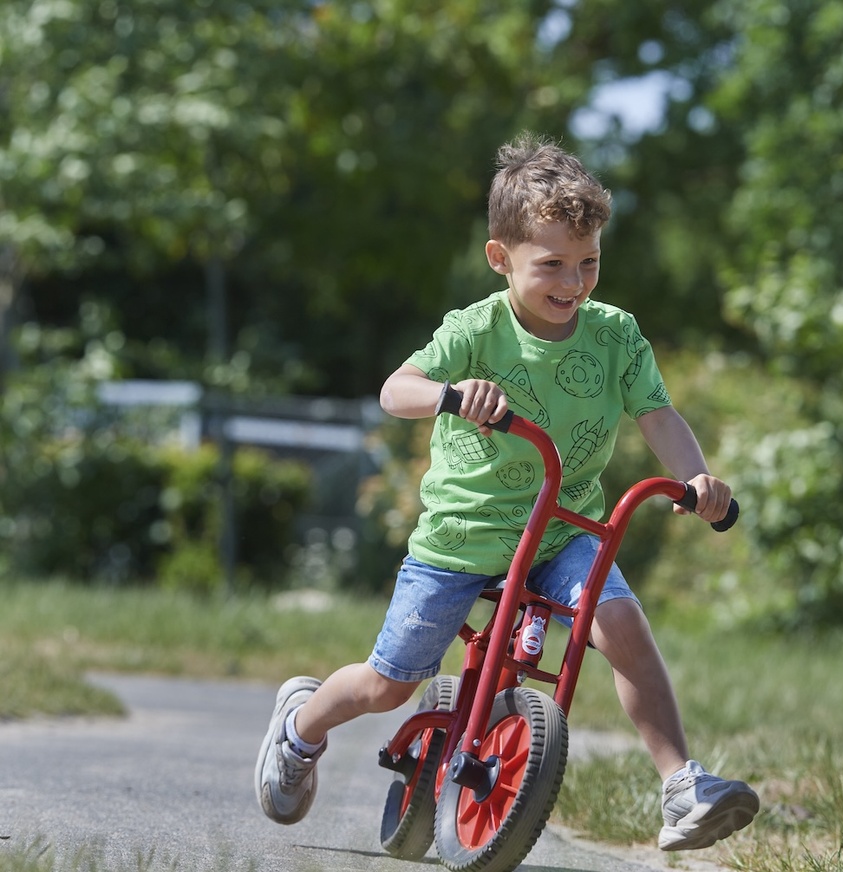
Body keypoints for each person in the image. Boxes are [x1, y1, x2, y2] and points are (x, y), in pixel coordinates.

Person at [255, 133, 759, 852]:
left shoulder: (615, 336)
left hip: (561, 530)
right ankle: (301, 729)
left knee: (622, 627)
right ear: (501, 258)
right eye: (551, 264)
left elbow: (658, 414)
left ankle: (682, 786)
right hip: (461, 536)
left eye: (589, 263)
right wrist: (453, 395)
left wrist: (697, 477)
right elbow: (396, 390)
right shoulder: (477, 327)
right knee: (389, 684)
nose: (573, 282)